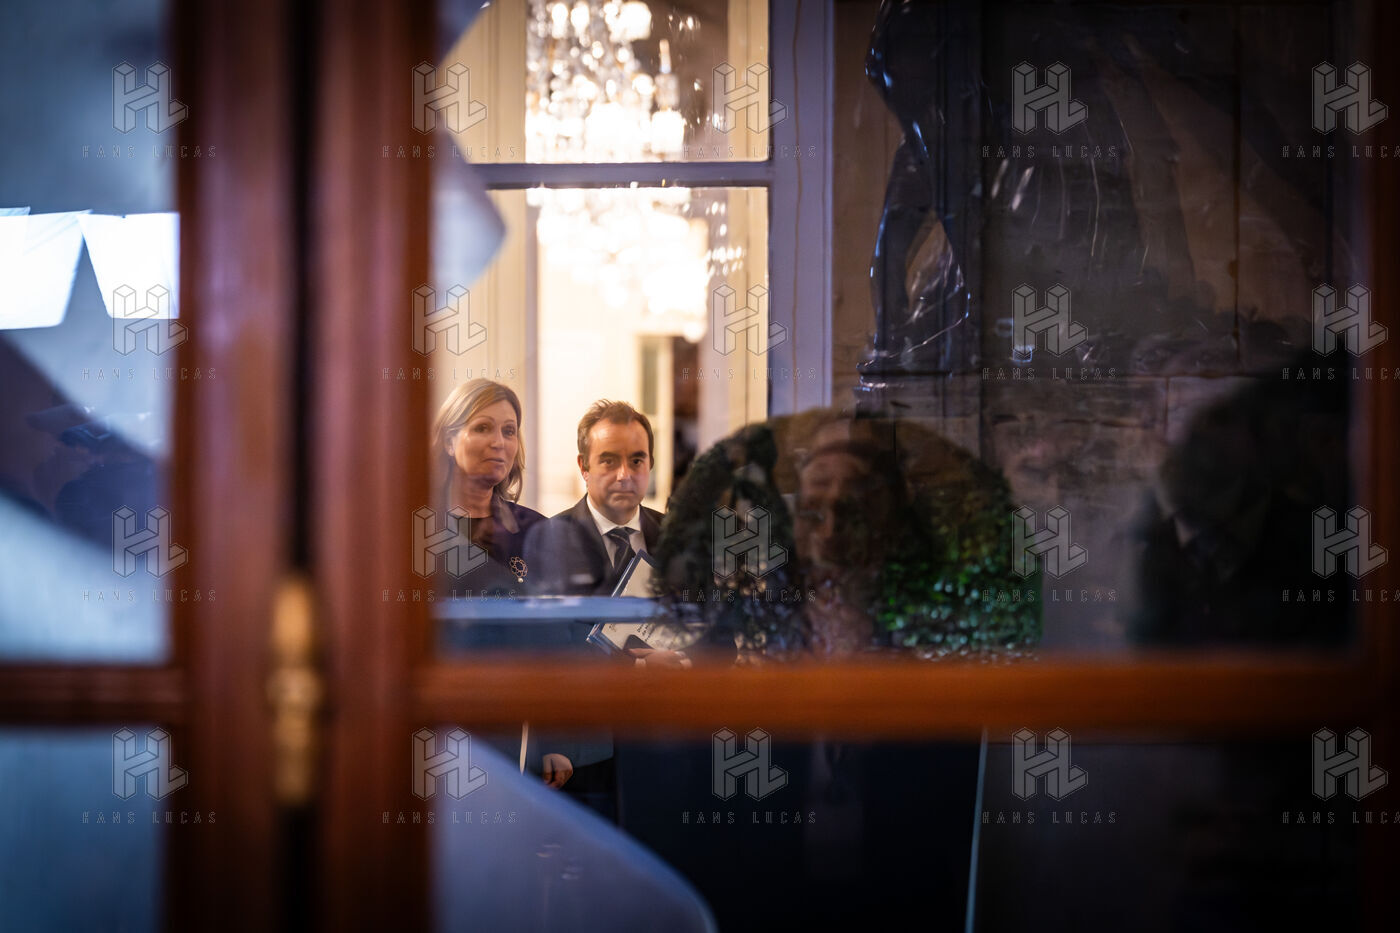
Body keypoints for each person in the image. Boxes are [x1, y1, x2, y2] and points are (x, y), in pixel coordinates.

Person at [431, 379, 577, 789]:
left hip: (519, 733)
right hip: (437, 723)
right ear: (449, 440)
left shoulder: (537, 531)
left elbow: (556, 644)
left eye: (509, 431)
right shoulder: (416, 532)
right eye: (482, 428)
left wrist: (556, 738)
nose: (499, 442)